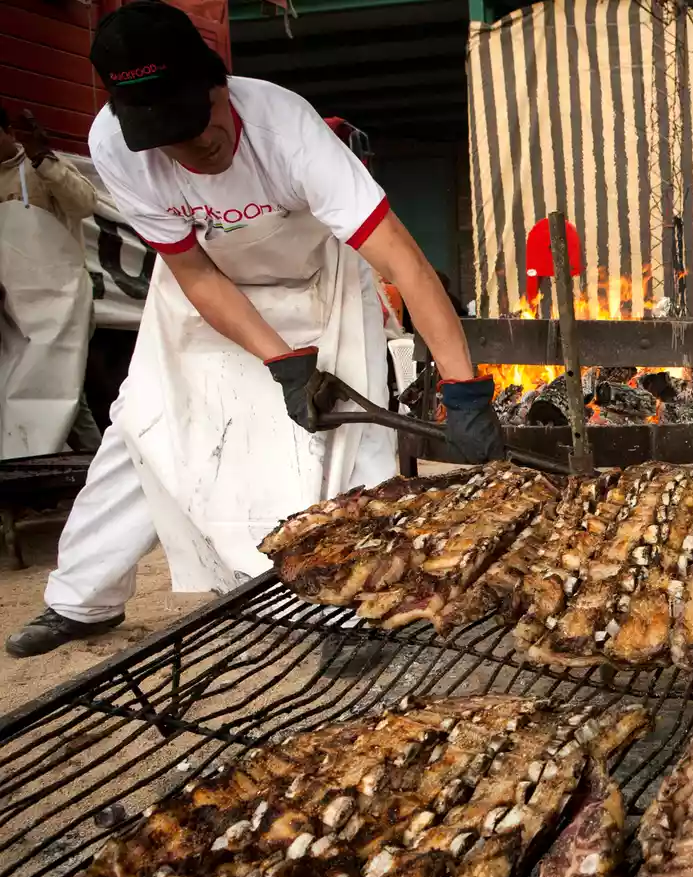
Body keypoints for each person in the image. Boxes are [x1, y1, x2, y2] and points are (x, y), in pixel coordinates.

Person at [6, 0, 501, 657]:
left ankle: (350, 611)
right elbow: (195, 273)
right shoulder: (115, 146)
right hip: (207, 292)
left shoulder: (286, 128)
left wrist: (463, 390)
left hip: (317, 282)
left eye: (198, 123)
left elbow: (405, 263)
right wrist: (280, 361)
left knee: (349, 445)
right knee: (145, 426)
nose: (195, 147)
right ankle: (82, 600)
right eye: (170, 137)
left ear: (218, 83)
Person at [0, 104, 100, 459]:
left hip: (62, 300)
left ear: (9, 132)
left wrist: (44, 159)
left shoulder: (41, 166)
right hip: (12, 305)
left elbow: (84, 204)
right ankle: (29, 462)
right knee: (17, 386)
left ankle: (92, 465)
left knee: (64, 386)